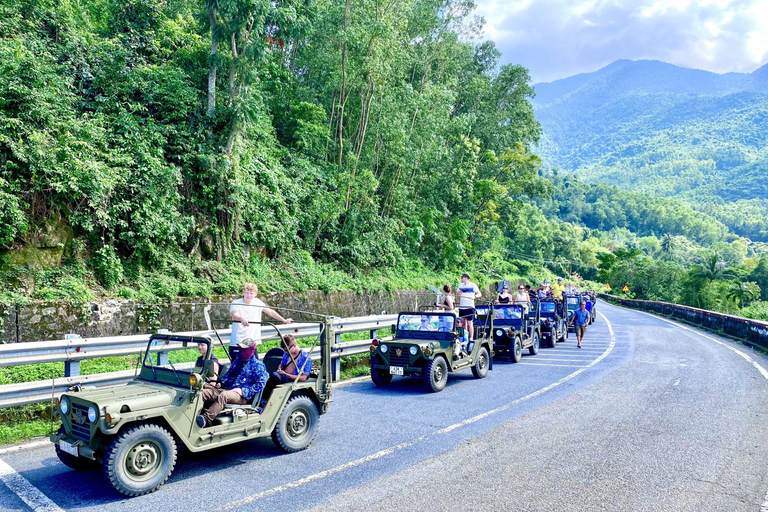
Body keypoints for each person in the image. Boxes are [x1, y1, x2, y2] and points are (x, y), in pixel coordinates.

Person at [196, 338, 268, 428]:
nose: (241, 351)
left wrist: (243, 391)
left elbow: (261, 384)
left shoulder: (258, 365)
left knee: (224, 396)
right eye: (241, 348)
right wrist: (221, 383)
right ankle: (194, 416)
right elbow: (228, 375)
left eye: (244, 349)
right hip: (227, 388)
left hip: (242, 396)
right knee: (203, 393)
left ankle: (205, 419)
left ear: (251, 350)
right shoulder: (237, 361)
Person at [230, 283, 293, 361]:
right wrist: (241, 318)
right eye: (247, 292)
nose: (248, 295)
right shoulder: (236, 303)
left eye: (251, 293)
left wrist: (284, 320)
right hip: (237, 342)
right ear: (243, 292)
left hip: (251, 343)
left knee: (254, 368)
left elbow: (270, 312)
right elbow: (234, 314)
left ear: (255, 294)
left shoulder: (257, 302)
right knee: (237, 368)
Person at [456, 273, 481, 342]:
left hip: (470, 306)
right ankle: (464, 337)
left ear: (466, 278)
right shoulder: (460, 285)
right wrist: (459, 293)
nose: (461, 278)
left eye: (462, 277)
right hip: (462, 306)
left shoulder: (473, 285)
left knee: (470, 322)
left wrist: (474, 296)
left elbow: (479, 294)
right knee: (463, 323)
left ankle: (471, 338)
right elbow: (457, 294)